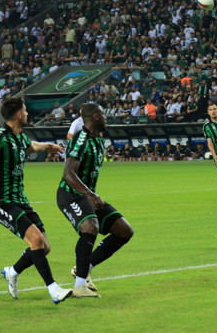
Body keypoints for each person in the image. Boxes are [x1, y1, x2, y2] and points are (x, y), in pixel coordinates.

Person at [0, 97, 72, 304]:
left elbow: (31, 146)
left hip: (21, 200)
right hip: (2, 202)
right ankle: (53, 289)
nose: (27, 114)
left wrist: (47, 145)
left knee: (44, 246)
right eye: (25, 111)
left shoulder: (19, 138)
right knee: (36, 240)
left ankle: (12, 271)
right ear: (18, 115)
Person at [59, 103, 134, 297]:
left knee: (124, 231)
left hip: (87, 195)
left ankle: (85, 268)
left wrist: (90, 195)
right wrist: (89, 194)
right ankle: (80, 286)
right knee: (90, 227)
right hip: (70, 194)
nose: (106, 118)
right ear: (95, 117)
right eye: (103, 114)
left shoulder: (98, 140)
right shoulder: (80, 140)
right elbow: (68, 174)